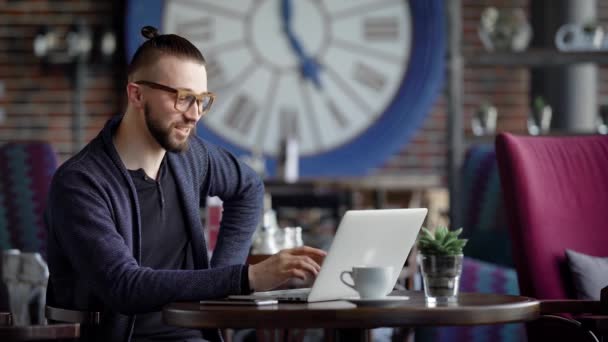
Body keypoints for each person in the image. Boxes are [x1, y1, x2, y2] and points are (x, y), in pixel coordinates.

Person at [44, 26, 326, 342]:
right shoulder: (80, 183)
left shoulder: (189, 157)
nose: (194, 115)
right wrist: (245, 278)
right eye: (182, 98)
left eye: (202, 100)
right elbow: (124, 286)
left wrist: (222, 283)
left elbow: (249, 188)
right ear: (136, 94)